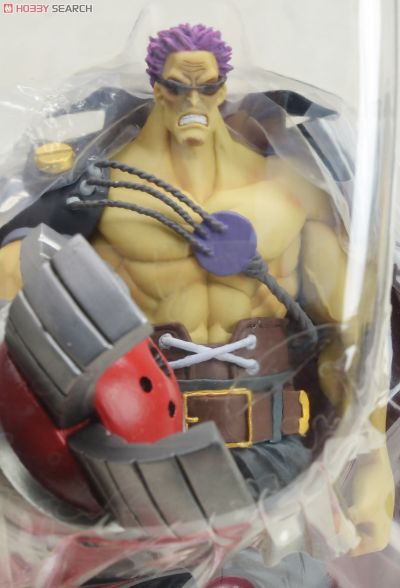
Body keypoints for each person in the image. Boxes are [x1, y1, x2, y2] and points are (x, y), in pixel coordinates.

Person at [0, 23, 394, 587]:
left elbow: (352, 331)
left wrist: (370, 458)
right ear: (155, 86)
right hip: (138, 461)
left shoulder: (290, 187)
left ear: (223, 86)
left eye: (205, 88)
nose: (192, 103)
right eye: (176, 88)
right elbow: (13, 289)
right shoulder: (102, 191)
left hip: (273, 450)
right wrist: (44, 205)